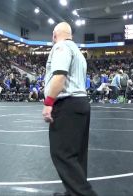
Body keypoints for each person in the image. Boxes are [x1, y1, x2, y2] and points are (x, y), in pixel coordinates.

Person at [42, 22, 97, 196]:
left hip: (67, 105)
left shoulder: (61, 47)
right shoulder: (78, 52)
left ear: (54, 34)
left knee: (62, 154)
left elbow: (59, 76)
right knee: (77, 155)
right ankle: (72, 193)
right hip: (81, 104)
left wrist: (48, 103)